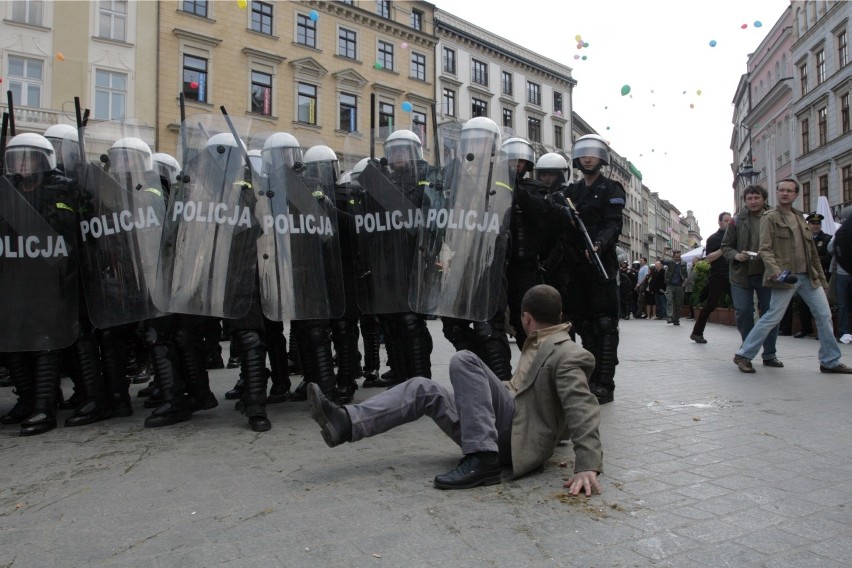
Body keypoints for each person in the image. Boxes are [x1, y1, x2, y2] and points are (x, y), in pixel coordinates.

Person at [306, 284, 603, 494]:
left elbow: (582, 407)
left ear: (526, 317)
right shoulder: (538, 342)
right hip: (497, 431)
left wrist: (587, 465)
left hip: (514, 440)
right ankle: (346, 422)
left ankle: (483, 460)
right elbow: (527, 392)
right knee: (424, 387)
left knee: (464, 360)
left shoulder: (567, 352)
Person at [733, 178, 852, 374]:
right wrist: (775, 271)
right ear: (777, 193)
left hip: (808, 276)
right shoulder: (770, 217)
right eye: (781, 190)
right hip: (786, 277)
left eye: (789, 191)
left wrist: (822, 281)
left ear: (796, 194)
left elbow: (812, 253)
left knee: (824, 316)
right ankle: (744, 355)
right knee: (772, 317)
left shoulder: (800, 218)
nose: (785, 193)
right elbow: (765, 249)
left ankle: (830, 361)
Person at [558, 134, 625, 405]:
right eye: (583, 153)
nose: (587, 157)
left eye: (593, 153)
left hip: (601, 264)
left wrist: (599, 243)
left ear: (601, 158)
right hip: (576, 266)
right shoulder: (571, 191)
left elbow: (614, 223)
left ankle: (605, 383)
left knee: (605, 325)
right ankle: (590, 378)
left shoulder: (612, 188)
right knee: (583, 324)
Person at [721, 184, 782, 367]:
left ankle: (769, 354)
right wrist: (736, 255)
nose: (753, 201)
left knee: (771, 314)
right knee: (744, 312)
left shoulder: (774, 216)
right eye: (749, 198)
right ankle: (746, 351)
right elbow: (726, 246)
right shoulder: (737, 220)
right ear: (745, 201)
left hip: (767, 274)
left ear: (764, 199)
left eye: (756, 198)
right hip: (741, 274)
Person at [690, 212, 732, 342]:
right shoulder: (713, 238)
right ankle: (697, 333)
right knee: (711, 305)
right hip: (718, 275)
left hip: (733, 275)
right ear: (719, 222)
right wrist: (722, 249)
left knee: (742, 304)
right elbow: (709, 258)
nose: (729, 223)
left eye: (730, 221)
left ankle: (748, 336)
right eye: (726, 221)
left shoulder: (734, 236)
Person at [828, 207, 852, 343]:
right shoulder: (840, 233)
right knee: (842, 304)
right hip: (841, 273)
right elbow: (830, 249)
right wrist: (837, 237)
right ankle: (844, 332)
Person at [661, 250, 687, 325]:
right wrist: (664, 250)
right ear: (673, 256)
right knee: (669, 300)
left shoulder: (683, 264)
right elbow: (662, 261)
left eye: (678, 257)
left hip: (679, 286)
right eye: (675, 257)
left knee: (678, 304)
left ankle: (676, 319)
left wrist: (684, 284)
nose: (677, 258)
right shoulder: (670, 262)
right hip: (670, 285)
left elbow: (685, 275)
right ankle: (669, 317)